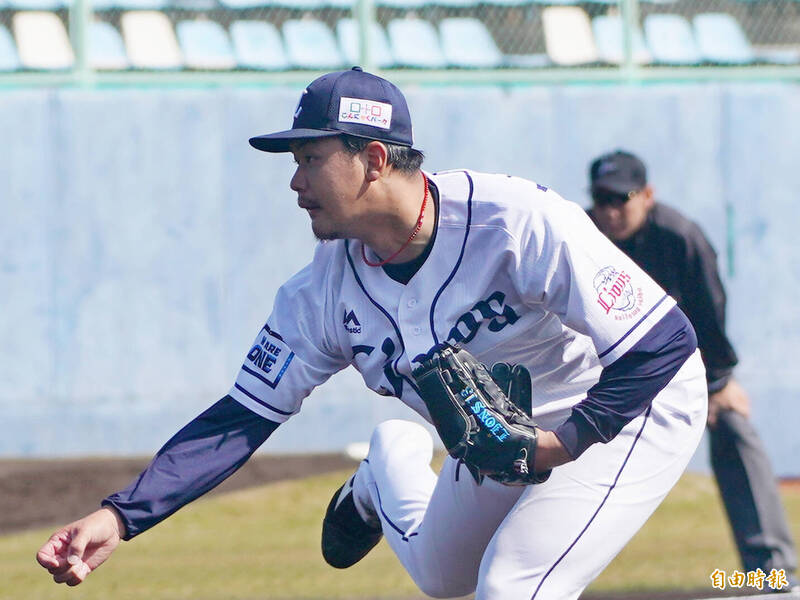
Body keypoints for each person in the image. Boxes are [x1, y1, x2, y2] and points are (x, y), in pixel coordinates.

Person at [37, 68, 708, 600]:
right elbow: (241, 415)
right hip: (504, 428)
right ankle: (385, 466)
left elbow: (663, 342)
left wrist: (561, 446)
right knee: (443, 576)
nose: (296, 182)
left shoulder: (514, 220)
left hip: (629, 401)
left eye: (310, 158)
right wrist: (121, 516)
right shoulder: (321, 294)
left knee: (516, 584)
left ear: (375, 158)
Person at [587, 149, 799, 594]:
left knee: (735, 428)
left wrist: (719, 382)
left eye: (621, 198)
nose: (610, 211)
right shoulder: (584, 234)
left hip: (681, 364)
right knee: (552, 450)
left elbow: (710, 311)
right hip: (603, 370)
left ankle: (770, 572)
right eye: (600, 199)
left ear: (647, 195)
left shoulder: (679, 236)